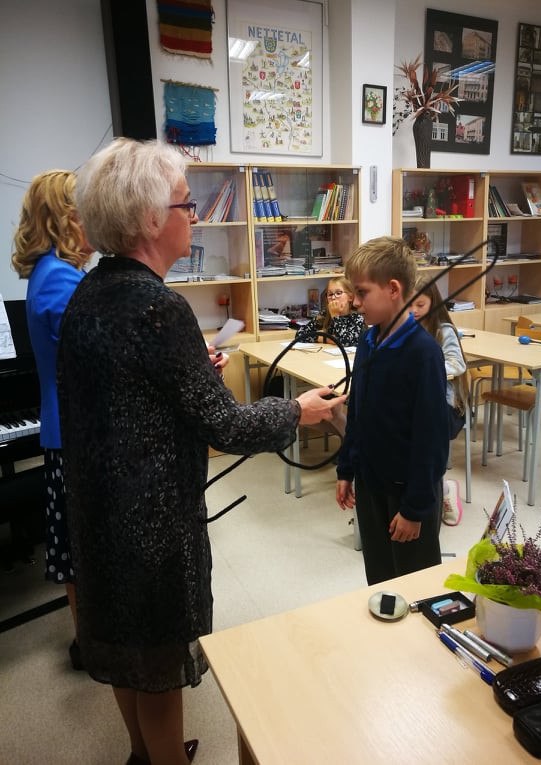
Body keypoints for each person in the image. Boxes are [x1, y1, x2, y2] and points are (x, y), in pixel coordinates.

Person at [57, 137, 346, 765]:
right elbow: (226, 426)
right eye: (187, 204)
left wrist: (190, 376)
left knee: (129, 656)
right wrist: (297, 410)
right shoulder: (160, 308)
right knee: (160, 669)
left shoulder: (89, 293)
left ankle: (141, 754)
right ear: (150, 219)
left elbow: (127, 396)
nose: (195, 215)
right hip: (151, 524)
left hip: (100, 515)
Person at [11, 169, 95, 670]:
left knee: (76, 549)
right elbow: (96, 360)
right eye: (88, 211)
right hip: (76, 435)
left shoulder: (53, 272)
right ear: (66, 219)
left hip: (65, 429)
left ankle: (89, 642)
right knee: (84, 551)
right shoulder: (61, 278)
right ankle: (93, 644)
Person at [335, 236, 449, 586]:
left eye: (361, 293)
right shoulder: (368, 342)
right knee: (381, 581)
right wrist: (346, 468)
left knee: (416, 585)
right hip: (370, 485)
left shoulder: (424, 354)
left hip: (408, 494)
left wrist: (415, 509)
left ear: (394, 289)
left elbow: (432, 440)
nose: (354, 303)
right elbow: (357, 413)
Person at [411, 275, 470, 527]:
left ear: (433, 303)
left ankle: (444, 490)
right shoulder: (406, 329)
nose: (413, 311)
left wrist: (426, 369)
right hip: (418, 403)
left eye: (420, 305)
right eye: (409, 304)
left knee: (423, 440)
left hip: (445, 409)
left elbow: (457, 364)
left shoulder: (443, 330)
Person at [294, 276, 366, 346]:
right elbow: (300, 334)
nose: (333, 297)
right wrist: (325, 339)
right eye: (330, 294)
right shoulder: (325, 314)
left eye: (338, 293)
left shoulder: (358, 317)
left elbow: (345, 342)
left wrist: (335, 316)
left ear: (350, 297)